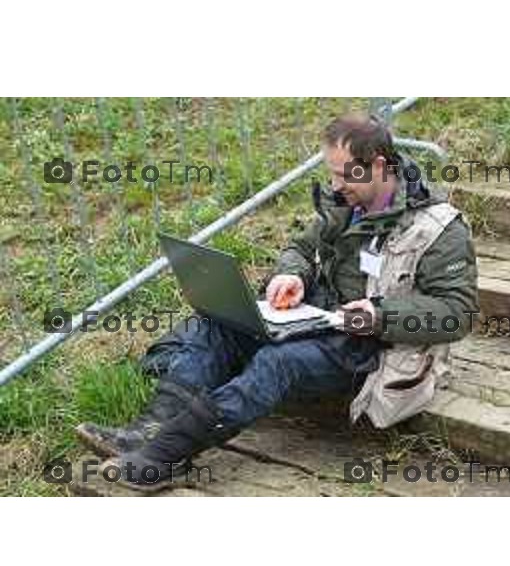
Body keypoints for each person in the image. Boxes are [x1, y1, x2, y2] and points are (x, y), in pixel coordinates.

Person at [76, 112, 478, 491]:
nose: (335, 184)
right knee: (220, 322)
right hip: (320, 319)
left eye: (343, 174)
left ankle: (166, 455)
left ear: (377, 165)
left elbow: (457, 314)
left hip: (372, 345)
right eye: (331, 173)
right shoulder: (346, 202)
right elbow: (300, 249)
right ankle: (148, 430)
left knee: (276, 362)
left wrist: (379, 315)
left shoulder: (439, 228)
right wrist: (291, 275)